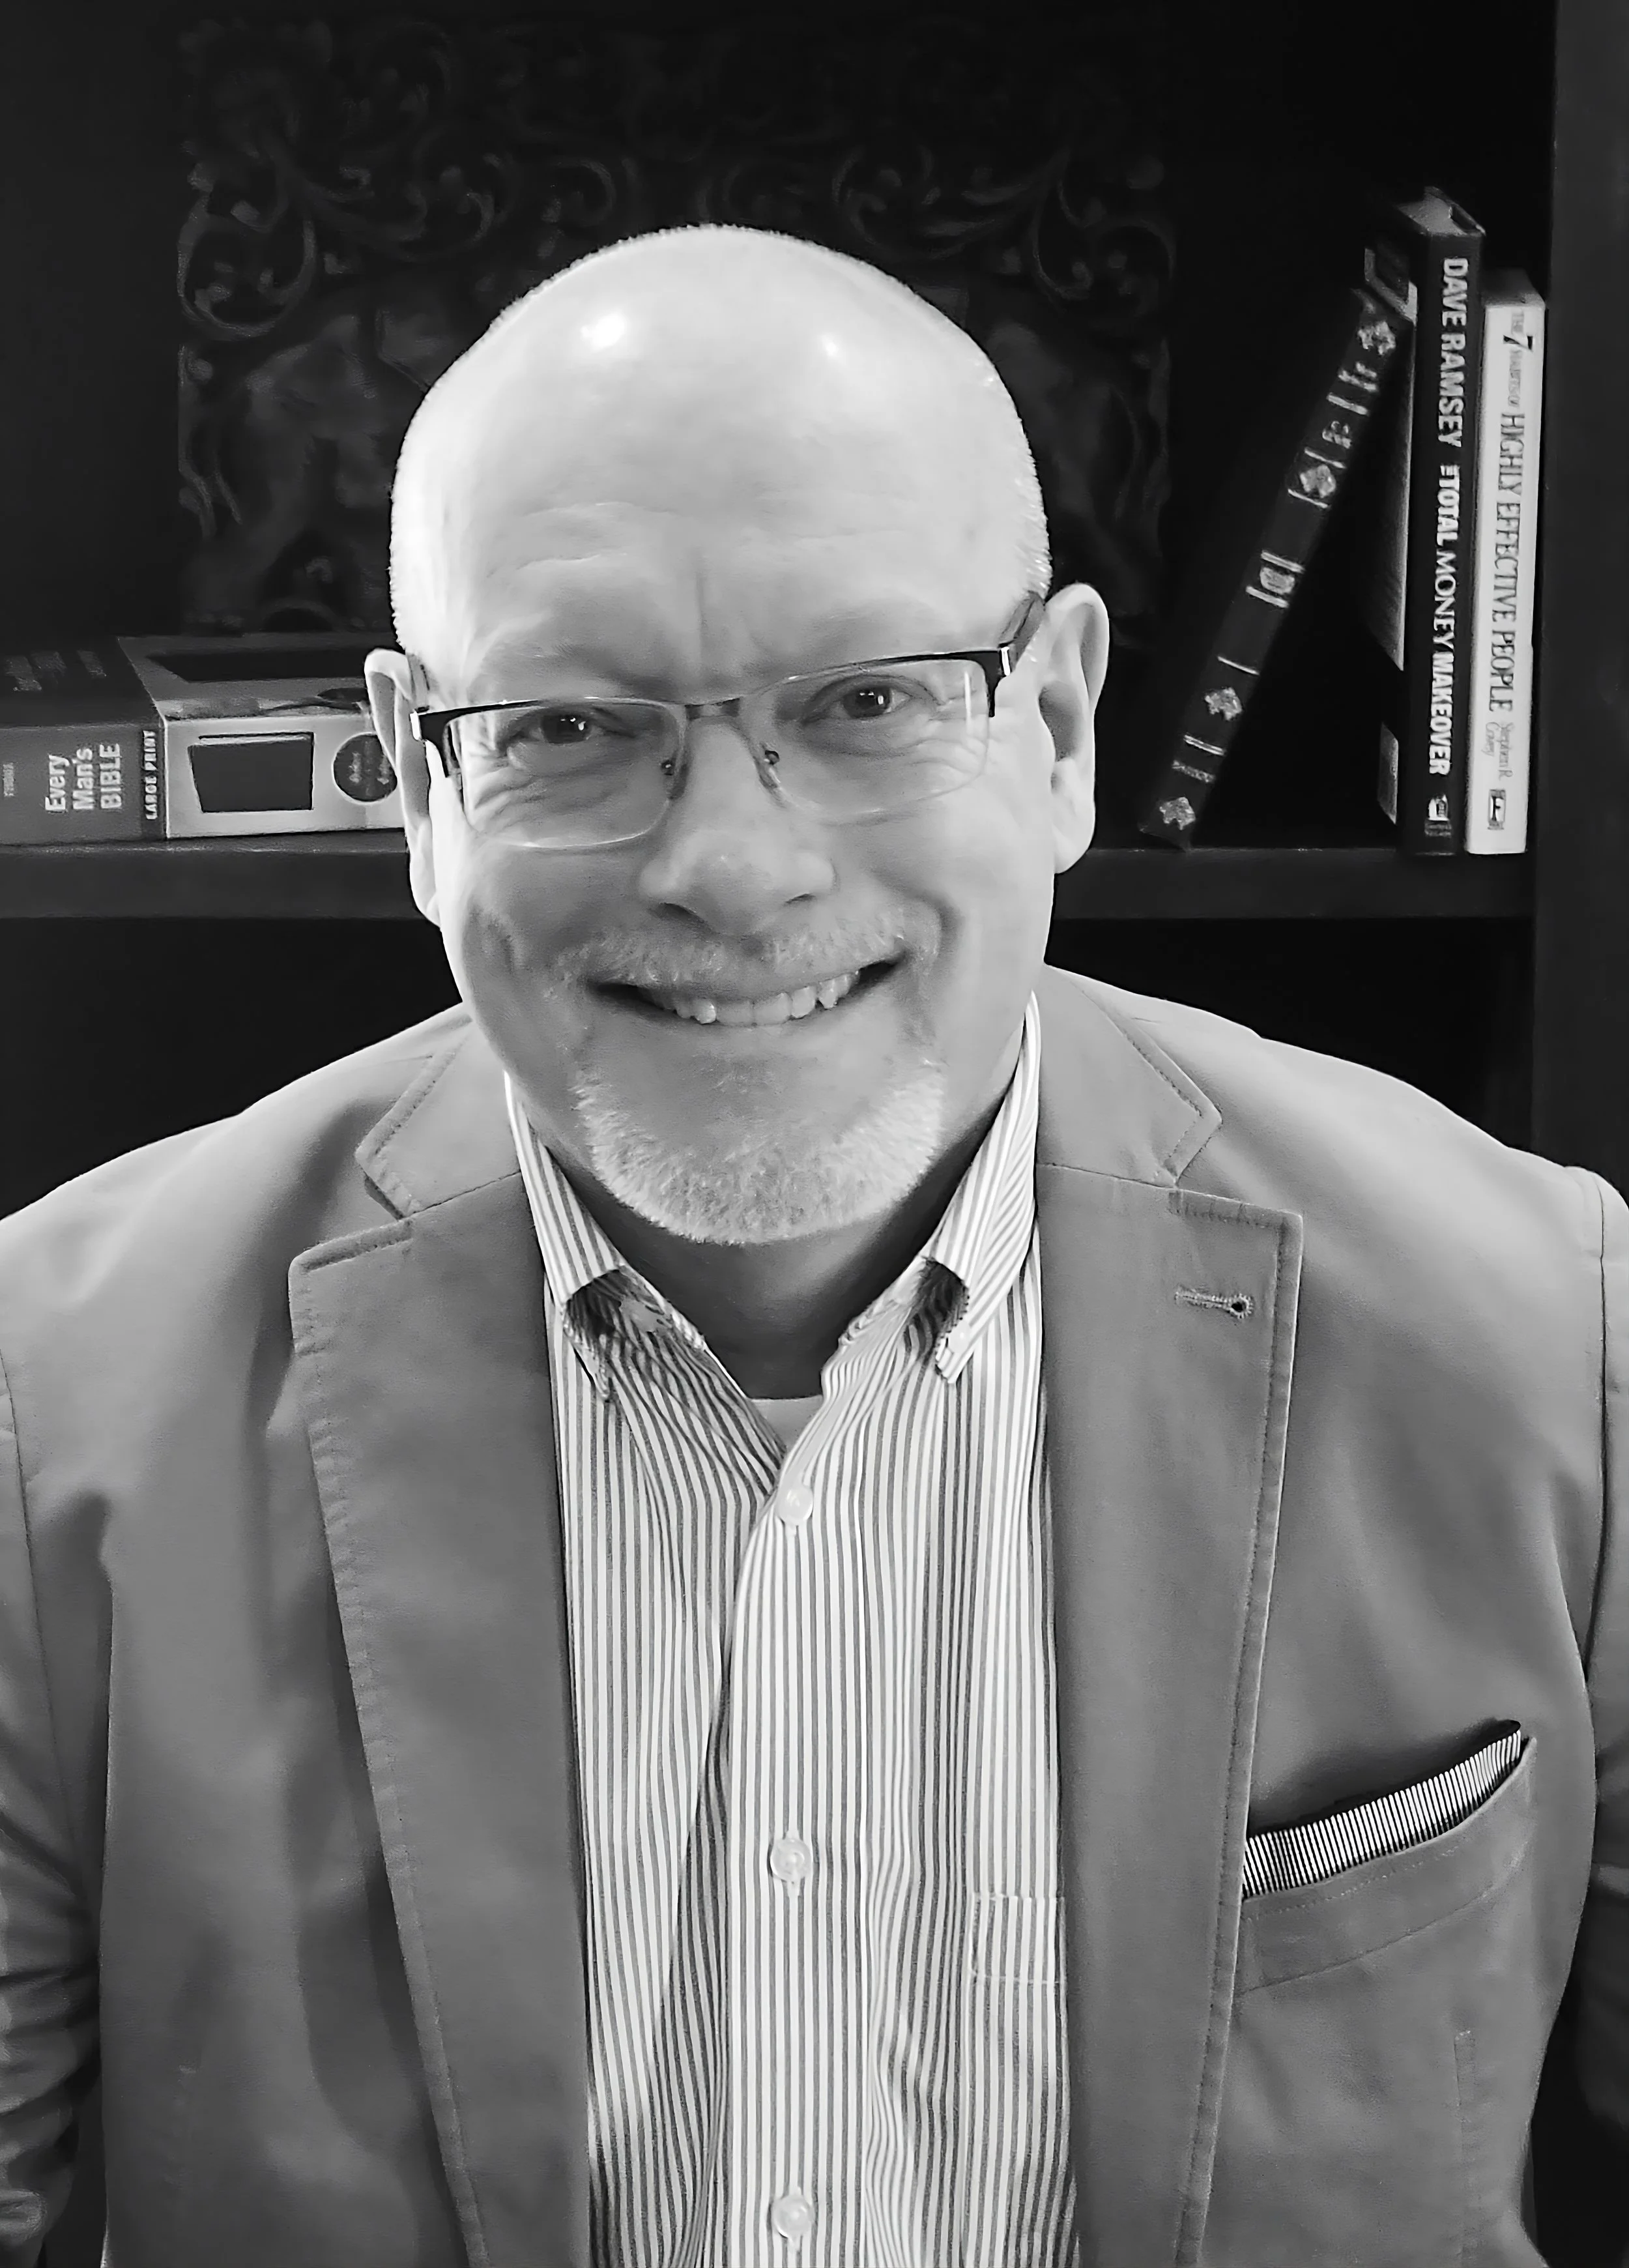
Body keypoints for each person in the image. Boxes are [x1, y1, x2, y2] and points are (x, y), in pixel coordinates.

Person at [0, 224, 1623, 2268]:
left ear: (1053, 725)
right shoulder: (47, 1406)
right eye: (577, 726)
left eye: (866, 700)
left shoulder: (1554, 1342)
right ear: (421, 780)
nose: (731, 864)